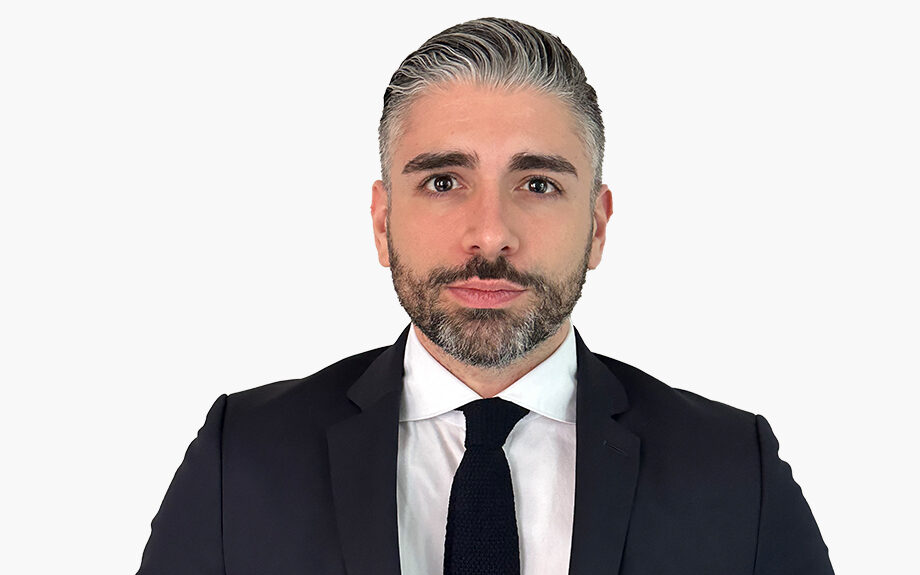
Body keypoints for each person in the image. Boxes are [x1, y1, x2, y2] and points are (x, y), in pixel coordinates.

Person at [136, 17, 834, 575]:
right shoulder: (242, 460)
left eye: (538, 184)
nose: (491, 233)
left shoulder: (735, 472)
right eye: (443, 182)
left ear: (596, 226)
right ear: (382, 222)